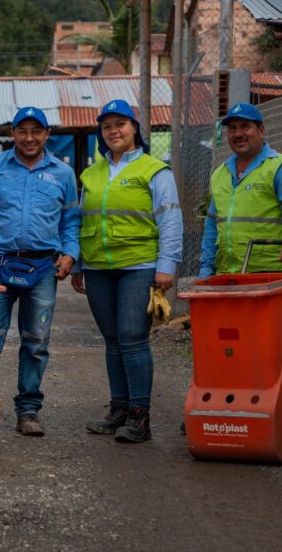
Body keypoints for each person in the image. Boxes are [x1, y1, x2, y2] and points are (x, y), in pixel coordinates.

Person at [71, 99, 182, 444]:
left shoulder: (154, 170)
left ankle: (139, 416)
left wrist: (167, 265)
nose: (113, 131)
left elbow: (171, 220)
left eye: (120, 124)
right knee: (112, 340)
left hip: (140, 265)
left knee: (133, 338)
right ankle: (118, 409)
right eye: (106, 126)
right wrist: (78, 263)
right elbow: (79, 220)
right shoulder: (91, 173)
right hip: (99, 267)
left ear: (135, 128)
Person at [0, 106, 80, 437]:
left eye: (36, 131)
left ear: (47, 135)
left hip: (43, 268)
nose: (29, 138)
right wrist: (1, 237)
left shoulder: (62, 174)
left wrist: (70, 253)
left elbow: (70, 220)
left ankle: (28, 410)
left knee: (36, 341)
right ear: (11, 133)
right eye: (22, 131)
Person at [200, 102, 282, 277]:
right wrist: (206, 271)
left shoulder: (279, 167)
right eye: (232, 128)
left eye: (245, 126)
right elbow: (211, 229)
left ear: (261, 131)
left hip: (269, 276)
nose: (238, 134)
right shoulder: (220, 174)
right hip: (226, 276)